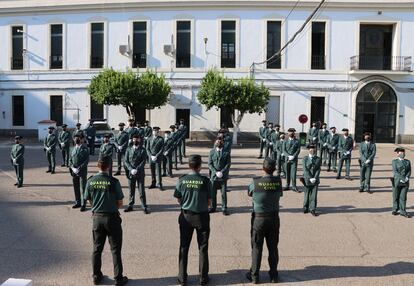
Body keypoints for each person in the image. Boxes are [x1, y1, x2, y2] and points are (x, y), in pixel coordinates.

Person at [84, 155, 128, 286]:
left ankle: (96, 276)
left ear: (97, 165)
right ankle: (118, 278)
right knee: (115, 249)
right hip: (112, 218)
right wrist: (111, 206)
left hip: (97, 217)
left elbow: (88, 199)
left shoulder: (90, 181)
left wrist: (97, 207)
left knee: (97, 249)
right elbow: (120, 202)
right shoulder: (114, 181)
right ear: (109, 166)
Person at [174, 154, 212, 286]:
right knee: (203, 248)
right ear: (200, 166)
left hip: (186, 216)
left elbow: (178, 198)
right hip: (201, 217)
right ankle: (203, 278)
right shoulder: (206, 181)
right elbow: (209, 201)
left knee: (184, 247)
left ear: (189, 165)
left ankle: (182, 278)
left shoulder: (182, 180)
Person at [246, 157, 282, 284]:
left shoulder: (255, 182)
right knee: (273, 248)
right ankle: (273, 276)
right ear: (274, 169)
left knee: (256, 248)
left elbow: (249, 192)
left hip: (259, 219)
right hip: (273, 218)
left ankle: (254, 276)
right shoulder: (278, 182)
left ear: (263, 168)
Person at [124, 135, 148, 214]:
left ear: (140, 140)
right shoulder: (128, 149)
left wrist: (136, 169)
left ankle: (144, 206)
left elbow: (143, 161)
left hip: (140, 173)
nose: (135, 140)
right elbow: (126, 161)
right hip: (131, 173)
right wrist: (131, 169)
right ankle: (130, 205)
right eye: (134, 139)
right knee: (131, 190)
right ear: (132, 140)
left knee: (141, 191)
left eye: (137, 139)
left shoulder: (143, 150)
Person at [208, 139, 231, 215]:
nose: (218, 144)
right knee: (213, 193)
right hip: (214, 176)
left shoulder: (226, 153)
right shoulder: (212, 152)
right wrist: (215, 172)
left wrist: (222, 172)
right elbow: (210, 164)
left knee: (223, 193)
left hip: (223, 176)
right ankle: (213, 207)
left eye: (220, 143)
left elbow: (228, 164)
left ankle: (224, 208)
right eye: (217, 143)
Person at [69, 134, 89, 212]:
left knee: (83, 188)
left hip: (82, 172)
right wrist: (73, 168)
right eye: (75, 138)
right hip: (74, 172)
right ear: (73, 139)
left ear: (81, 139)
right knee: (76, 187)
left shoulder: (85, 149)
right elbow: (70, 160)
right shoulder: (72, 149)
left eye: (78, 138)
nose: (76, 140)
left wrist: (79, 168)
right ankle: (78, 202)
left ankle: (83, 204)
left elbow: (86, 161)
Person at [301, 144, 321, 216]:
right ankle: (305, 207)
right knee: (306, 193)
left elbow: (318, 169)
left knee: (314, 195)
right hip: (307, 179)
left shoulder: (318, 159)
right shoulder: (305, 159)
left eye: (314, 148)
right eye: (311, 148)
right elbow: (305, 169)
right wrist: (310, 178)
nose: (312, 150)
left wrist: (315, 178)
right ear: (308, 150)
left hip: (315, 179)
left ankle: (312, 208)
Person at [391, 148, 411, 218]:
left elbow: (409, 171)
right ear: (397, 154)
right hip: (397, 181)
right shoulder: (394, 162)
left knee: (403, 197)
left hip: (405, 182)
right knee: (396, 196)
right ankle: (395, 209)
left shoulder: (408, 162)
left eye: (403, 153)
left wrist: (406, 178)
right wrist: (402, 178)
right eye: (400, 153)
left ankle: (402, 211)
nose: (402, 154)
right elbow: (395, 172)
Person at [283, 128, 301, 193]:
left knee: (293, 173)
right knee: (287, 172)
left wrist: (293, 156)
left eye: (292, 132)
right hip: (287, 159)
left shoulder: (297, 141)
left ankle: (294, 186)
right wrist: (288, 156)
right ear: (288, 133)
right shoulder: (285, 141)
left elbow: (298, 149)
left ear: (294, 133)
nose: (291, 133)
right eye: (290, 132)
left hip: (294, 159)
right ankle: (287, 185)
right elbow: (284, 150)